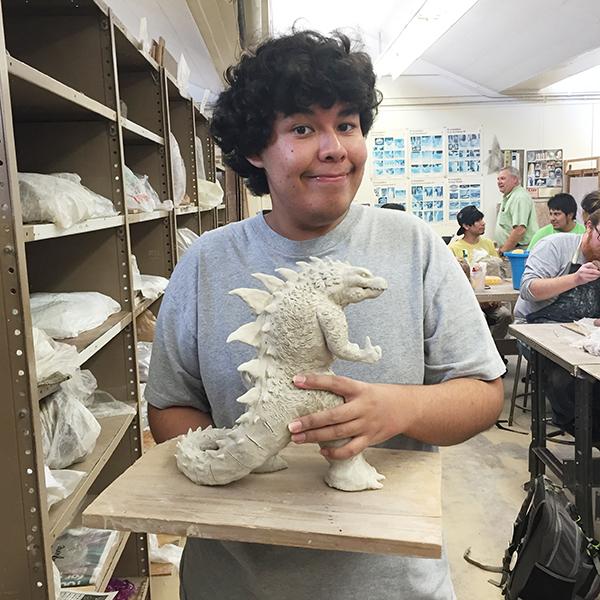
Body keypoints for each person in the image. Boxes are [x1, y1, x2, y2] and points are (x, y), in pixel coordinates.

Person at [146, 30, 504, 600]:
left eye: (348, 124)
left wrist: (399, 408)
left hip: (392, 583)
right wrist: (245, 449)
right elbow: (168, 405)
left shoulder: (416, 246)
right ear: (256, 150)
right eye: (303, 128)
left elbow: (484, 393)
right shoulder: (206, 263)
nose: (335, 147)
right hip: (237, 580)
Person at [514, 209, 600, 436]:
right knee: (564, 375)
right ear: (589, 227)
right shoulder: (554, 246)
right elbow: (528, 289)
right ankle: (582, 437)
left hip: (584, 331)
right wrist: (576, 278)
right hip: (536, 327)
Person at [449, 205, 512, 339]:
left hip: (492, 300)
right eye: (478, 221)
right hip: (469, 301)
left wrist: (495, 298)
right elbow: (453, 282)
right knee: (479, 318)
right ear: (466, 226)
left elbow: (497, 274)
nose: (483, 223)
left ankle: (497, 351)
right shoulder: (454, 248)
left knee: (505, 315)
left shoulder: (488, 244)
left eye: (482, 219)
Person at [494, 166, 538, 253]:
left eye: (502, 179)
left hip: (519, 252)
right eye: (498, 179)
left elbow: (519, 230)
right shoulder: (510, 196)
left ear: (514, 179)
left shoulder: (519, 197)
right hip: (511, 251)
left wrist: (503, 251)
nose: (499, 182)